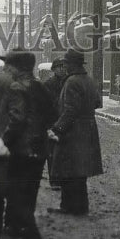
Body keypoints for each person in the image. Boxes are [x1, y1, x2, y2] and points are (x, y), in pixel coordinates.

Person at [2, 51, 55, 239]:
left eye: (9, 65)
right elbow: (52, 113)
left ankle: (28, 231)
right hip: (39, 147)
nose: (6, 69)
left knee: (16, 189)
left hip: (21, 147)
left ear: (18, 68)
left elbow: (17, 118)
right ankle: (18, 227)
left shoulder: (17, 87)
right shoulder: (40, 85)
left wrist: (3, 140)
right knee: (30, 190)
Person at [0, 48, 34, 232]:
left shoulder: (4, 80)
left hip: (1, 137)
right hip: (11, 139)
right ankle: (10, 221)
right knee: (7, 183)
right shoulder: (20, 81)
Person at [48, 47, 103, 215]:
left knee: (67, 168)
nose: (65, 67)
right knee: (80, 171)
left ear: (72, 65)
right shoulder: (89, 80)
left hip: (73, 131)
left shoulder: (71, 81)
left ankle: (68, 206)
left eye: (66, 64)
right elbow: (97, 103)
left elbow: (70, 110)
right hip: (88, 129)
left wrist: (58, 128)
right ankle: (81, 206)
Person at [41, 56, 67, 188]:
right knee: (52, 152)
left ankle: (64, 178)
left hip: (66, 121)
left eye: (64, 66)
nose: (62, 69)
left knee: (65, 151)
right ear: (54, 69)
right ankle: (54, 180)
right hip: (52, 121)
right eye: (59, 67)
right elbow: (44, 105)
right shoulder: (48, 84)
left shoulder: (69, 82)